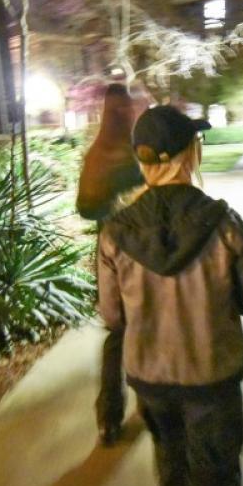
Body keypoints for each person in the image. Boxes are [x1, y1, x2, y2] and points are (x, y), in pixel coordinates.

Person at [98, 105, 243, 486]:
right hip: (211, 376)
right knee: (217, 477)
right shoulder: (225, 224)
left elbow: (112, 318)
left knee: (169, 443)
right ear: (188, 155)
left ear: (144, 162)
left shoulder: (115, 232)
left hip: (150, 376)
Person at [76, 83, 144, 445]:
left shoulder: (141, 149)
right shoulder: (98, 155)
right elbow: (85, 208)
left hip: (148, 255)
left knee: (142, 329)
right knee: (118, 334)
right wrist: (112, 189)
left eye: (125, 109)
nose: (121, 115)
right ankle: (110, 415)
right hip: (115, 256)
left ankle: (148, 403)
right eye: (115, 109)